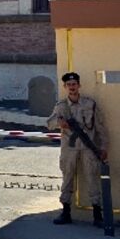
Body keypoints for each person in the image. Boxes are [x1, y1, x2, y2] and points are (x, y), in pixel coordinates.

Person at [46, 72, 107, 226]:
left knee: (92, 178)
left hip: (88, 148)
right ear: (65, 87)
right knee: (67, 178)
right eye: (69, 85)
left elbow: (100, 128)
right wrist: (60, 122)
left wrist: (103, 147)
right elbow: (49, 123)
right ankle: (66, 212)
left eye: (74, 84)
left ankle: (97, 215)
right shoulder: (61, 106)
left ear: (79, 86)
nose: (72, 87)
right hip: (69, 149)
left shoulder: (89, 104)